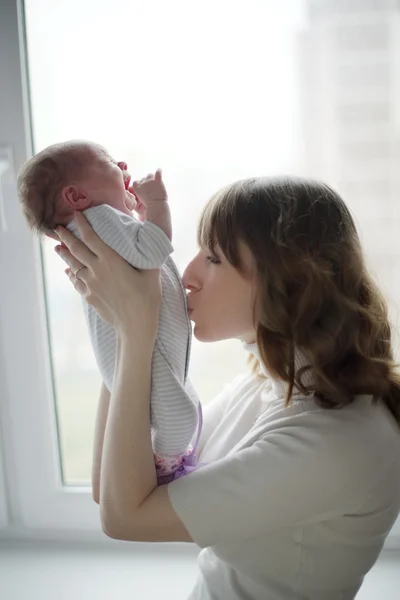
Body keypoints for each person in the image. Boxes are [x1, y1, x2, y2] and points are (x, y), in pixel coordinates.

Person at [53, 174, 400, 600]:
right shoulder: (268, 387)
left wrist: (135, 330)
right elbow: (114, 485)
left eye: (214, 258)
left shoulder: (336, 439)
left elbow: (125, 517)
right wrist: (123, 328)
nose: (187, 276)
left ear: (287, 278)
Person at [17, 140, 202, 485]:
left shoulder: (97, 231)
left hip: (132, 348)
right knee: (178, 415)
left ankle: (163, 456)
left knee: (173, 404)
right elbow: (153, 253)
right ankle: (165, 463)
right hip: (145, 345)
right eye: (108, 162)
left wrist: (140, 220)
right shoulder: (98, 219)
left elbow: (141, 252)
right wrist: (158, 204)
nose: (121, 164)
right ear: (76, 198)